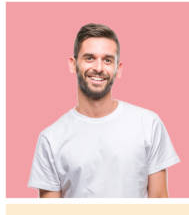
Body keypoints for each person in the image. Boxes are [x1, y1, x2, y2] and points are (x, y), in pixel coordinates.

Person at [28, 23, 179, 198]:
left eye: (107, 60)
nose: (99, 68)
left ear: (118, 69)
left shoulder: (149, 124)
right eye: (89, 58)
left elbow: (160, 203)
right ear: (73, 64)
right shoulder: (51, 138)